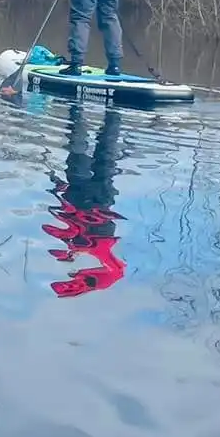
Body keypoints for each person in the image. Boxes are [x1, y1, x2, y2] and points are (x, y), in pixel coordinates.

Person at [42, 102, 126, 295]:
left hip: (81, 197)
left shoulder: (73, 244)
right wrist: (86, 275)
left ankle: (81, 107)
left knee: (85, 150)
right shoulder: (101, 254)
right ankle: (109, 109)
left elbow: (54, 224)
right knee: (102, 152)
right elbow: (117, 271)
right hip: (97, 203)